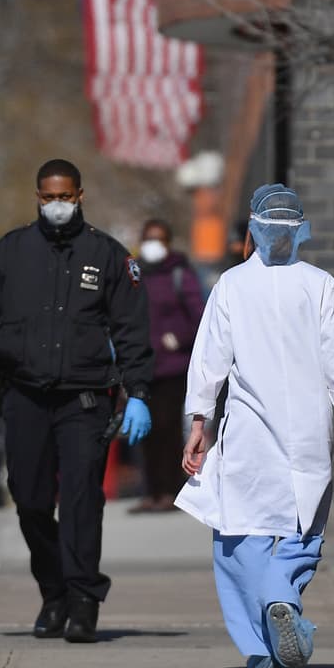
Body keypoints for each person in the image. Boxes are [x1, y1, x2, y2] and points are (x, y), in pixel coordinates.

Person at [0, 159, 155, 644]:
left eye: (65, 196)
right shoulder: (10, 252)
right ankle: (53, 592)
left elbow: (132, 330)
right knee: (28, 500)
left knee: (83, 499)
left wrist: (139, 394)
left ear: (80, 195)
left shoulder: (108, 255)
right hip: (23, 396)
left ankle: (84, 598)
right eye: (48, 197)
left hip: (84, 400)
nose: (57, 205)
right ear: (37, 197)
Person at [176, 184, 334, 668]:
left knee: (239, 535)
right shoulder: (320, 285)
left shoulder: (231, 287)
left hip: (248, 435)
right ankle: (283, 597)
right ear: (299, 232)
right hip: (305, 429)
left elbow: (209, 363)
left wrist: (199, 422)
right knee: (304, 528)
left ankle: (260, 647)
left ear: (254, 230)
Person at [132, 219, 205, 513]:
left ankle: (171, 490)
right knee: (144, 431)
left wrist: (178, 338)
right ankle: (152, 490)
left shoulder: (180, 274)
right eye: (148, 238)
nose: (152, 244)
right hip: (142, 365)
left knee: (168, 428)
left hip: (173, 367)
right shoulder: (133, 274)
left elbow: (199, 316)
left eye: (158, 239)